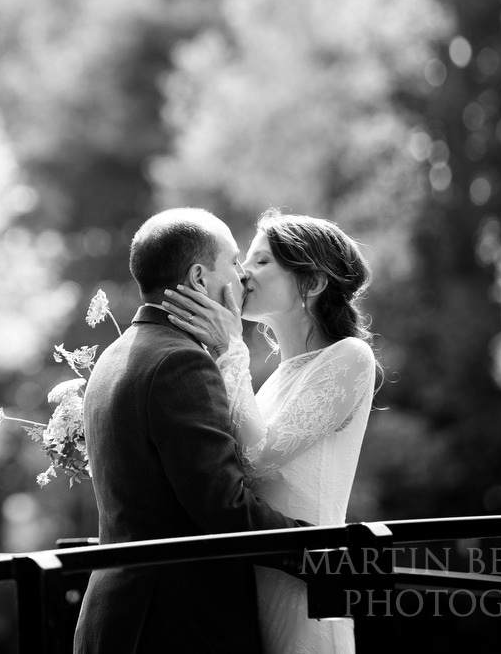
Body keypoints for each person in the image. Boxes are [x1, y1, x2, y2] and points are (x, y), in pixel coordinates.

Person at [74, 207, 307, 654]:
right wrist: (320, 549)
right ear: (200, 278)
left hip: (118, 618)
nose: (242, 275)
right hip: (174, 624)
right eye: (234, 262)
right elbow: (222, 506)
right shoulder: (181, 361)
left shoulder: (115, 355)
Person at [162, 209, 378, 654]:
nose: (243, 273)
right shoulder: (274, 379)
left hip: (305, 590)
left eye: (261, 261)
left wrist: (231, 349)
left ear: (312, 282)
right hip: (252, 584)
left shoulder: (350, 357)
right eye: (245, 260)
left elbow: (257, 457)